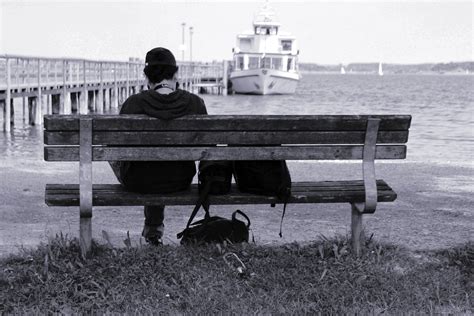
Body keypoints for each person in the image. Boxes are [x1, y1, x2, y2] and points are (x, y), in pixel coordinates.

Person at [110, 47, 207, 246]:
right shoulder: (195, 103)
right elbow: (208, 147)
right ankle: (154, 229)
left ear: (146, 76)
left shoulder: (133, 104)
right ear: (175, 74)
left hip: (138, 181)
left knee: (125, 155)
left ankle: (153, 229)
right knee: (161, 163)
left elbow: (116, 147)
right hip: (180, 179)